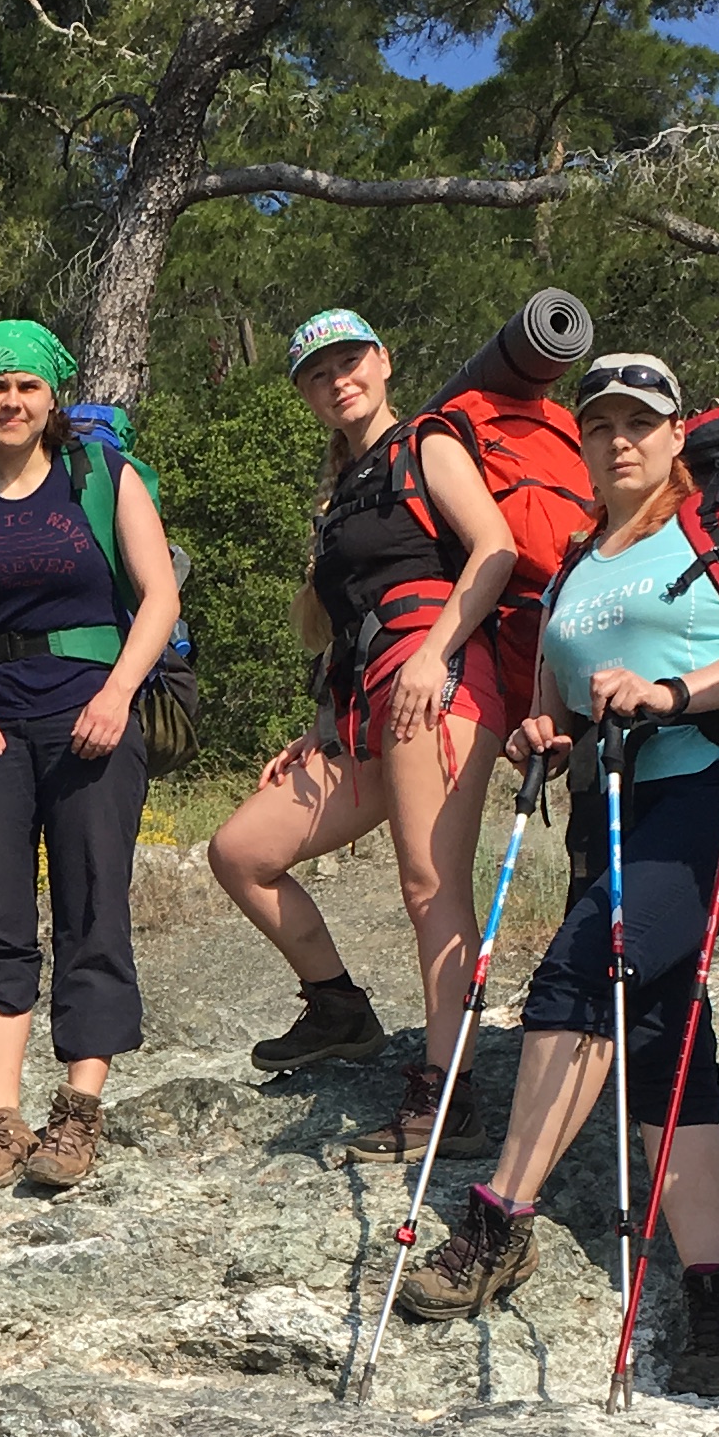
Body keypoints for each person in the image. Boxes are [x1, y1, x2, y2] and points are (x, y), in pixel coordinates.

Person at [389, 353, 719, 1388]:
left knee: (581, 971)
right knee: (659, 1036)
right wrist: (545, 731)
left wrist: (671, 693)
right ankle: (716, 1302)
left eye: (639, 423)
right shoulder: (574, 562)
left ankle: (500, 1221)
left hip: (718, 790)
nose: (619, 440)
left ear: (676, 434)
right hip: (612, 809)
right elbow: (554, 700)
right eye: (600, 424)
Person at [205, 309, 518, 1158]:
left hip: (438, 683)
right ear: (305, 393)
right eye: (318, 373)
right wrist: (322, 726)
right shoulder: (341, 490)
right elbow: (346, 627)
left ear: (382, 362)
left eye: (349, 362)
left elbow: (495, 550)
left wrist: (435, 653)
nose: (337, 380)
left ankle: (450, 1097)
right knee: (241, 852)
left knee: (430, 886)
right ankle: (339, 1008)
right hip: (366, 707)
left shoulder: (428, 443)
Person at [0, 316, 183, 1197]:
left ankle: (78, 1111)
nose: (10, 401)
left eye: (26, 386)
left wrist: (117, 694)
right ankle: (1, 1122)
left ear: (53, 396)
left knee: (94, 905)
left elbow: (159, 597)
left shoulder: (103, 476)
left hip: (94, 721)